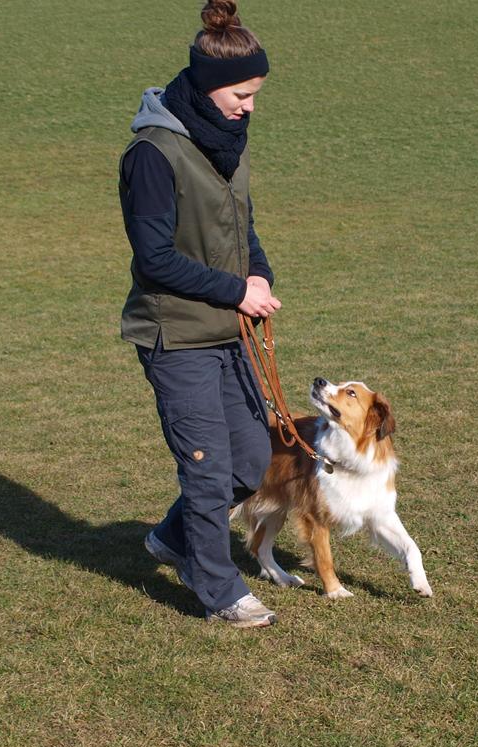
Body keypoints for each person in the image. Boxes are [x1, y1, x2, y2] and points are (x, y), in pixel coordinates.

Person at [119, 0, 280, 627]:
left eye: (255, 94)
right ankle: (218, 590)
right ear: (210, 86)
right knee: (208, 472)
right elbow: (155, 258)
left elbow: (242, 227)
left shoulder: (228, 144)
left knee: (251, 463)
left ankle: (171, 539)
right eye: (241, 94)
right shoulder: (152, 155)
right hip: (176, 336)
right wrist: (235, 291)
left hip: (228, 331)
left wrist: (259, 272)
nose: (248, 106)